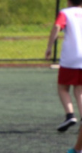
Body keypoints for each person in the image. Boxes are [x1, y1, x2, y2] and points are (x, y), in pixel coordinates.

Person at [47, 0, 82, 133]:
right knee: (79, 89)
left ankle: (70, 115)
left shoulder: (65, 13)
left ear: (68, 1)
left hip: (71, 57)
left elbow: (57, 27)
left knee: (63, 87)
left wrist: (49, 47)